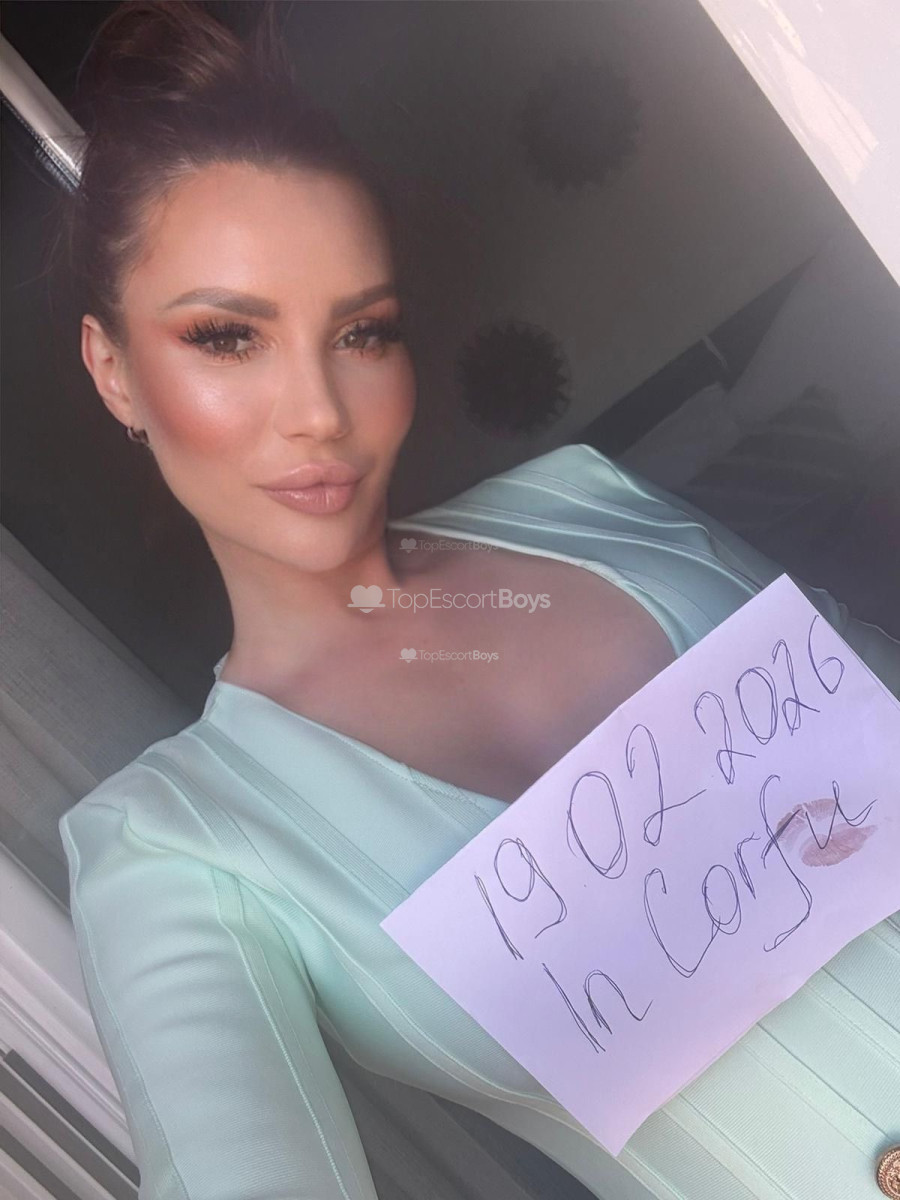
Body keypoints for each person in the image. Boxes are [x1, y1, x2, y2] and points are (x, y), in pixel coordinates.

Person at [57, 3, 900, 1198]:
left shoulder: (591, 505)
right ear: (115, 372)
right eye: (228, 338)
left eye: (362, 331)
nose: (318, 411)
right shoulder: (174, 850)